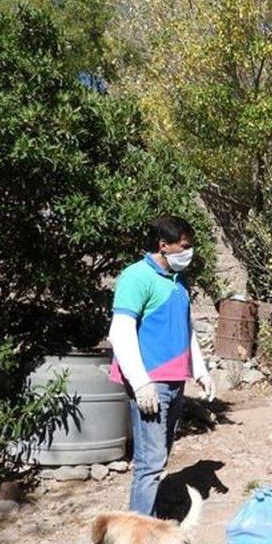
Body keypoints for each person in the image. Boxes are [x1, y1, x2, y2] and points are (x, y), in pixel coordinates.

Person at [107, 216, 214, 516]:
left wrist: (200, 370)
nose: (188, 252)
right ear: (162, 245)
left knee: (159, 458)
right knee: (149, 465)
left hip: (174, 382)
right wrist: (141, 383)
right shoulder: (136, 277)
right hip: (151, 385)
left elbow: (186, 329)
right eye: (184, 247)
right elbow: (121, 332)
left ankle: (149, 524)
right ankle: (138, 541)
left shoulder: (179, 281)